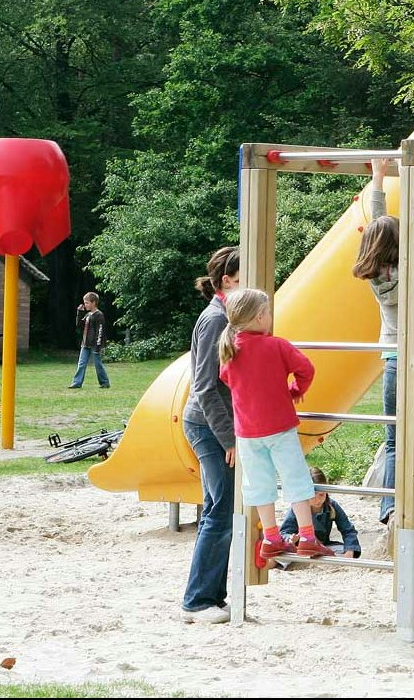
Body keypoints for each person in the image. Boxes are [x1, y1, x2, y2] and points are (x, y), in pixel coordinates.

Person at [351, 158, 414, 557]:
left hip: (394, 357)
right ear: (402, 245)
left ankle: (391, 508)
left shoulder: (375, 272)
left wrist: (377, 178)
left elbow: (378, 225)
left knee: (395, 440)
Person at [217, 288, 333, 564]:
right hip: (280, 427)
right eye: (268, 312)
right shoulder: (277, 345)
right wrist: (294, 389)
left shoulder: (230, 351)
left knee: (258, 483)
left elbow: (227, 379)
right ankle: (307, 537)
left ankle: (271, 537)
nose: (270, 317)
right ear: (260, 316)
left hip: (247, 432)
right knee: (296, 478)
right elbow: (306, 369)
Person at [180, 245, 241, 624]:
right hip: (208, 425)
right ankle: (198, 600)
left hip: (214, 424)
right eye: (246, 278)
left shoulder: (229, 317)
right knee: (221, 511)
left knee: (220, 510)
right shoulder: (216, 320)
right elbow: (204, 386)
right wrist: (229, 438)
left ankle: (211, 596)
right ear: (227, 281)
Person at [282, 467, 362, 558]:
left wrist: (350, 551)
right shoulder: (298, 507)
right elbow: (284, 532)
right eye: (312, 496)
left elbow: (348, 530)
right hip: (301, 548)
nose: (318, 500)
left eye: (321, 494)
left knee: (345, 549)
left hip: (324, 547)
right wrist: (290, 538)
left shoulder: (332, 505)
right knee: (283, 554)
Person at [68, 291, 111, 389]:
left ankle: (105, 382)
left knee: (98, 364)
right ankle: (77, 383)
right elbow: (79, 325)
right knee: (81, 364)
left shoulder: (99, 315)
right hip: (85, 344)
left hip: (94, 345)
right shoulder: (88, 315)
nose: (85, 305)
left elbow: (100, 331)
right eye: (85, 302)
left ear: (94, 303)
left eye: (87, 303)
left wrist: (98, 346)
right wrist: (79, 313)